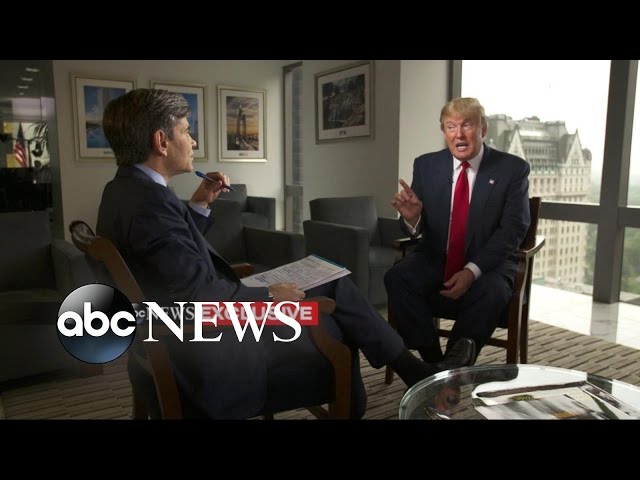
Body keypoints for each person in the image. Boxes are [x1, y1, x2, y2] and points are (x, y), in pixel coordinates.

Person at [96, 89, 476, 420]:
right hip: (209, 347)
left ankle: (413, 370)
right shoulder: (152, 206)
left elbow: (172, 263)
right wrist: (267, 295)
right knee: (336, 318)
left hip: (178, 332)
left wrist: (198, 204)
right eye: (185, 130)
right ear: (162, 141)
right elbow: (199, 296)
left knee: (332, 282)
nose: (192, 141)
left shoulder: (125, 191)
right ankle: (407, 375)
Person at [385, 97, 530, 364]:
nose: (459, 134)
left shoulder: (512, 169)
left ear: (483, 129)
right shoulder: (426, 165)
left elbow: (513, 230)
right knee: (397, 277)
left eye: (467, 125)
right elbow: (415, 226)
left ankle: (455, 361)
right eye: (451, 127)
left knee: (493, 291)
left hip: (488, 265)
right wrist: (413, 218)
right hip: (436, 257)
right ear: (444, 132)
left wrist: (471, 271)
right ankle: (434, 362)